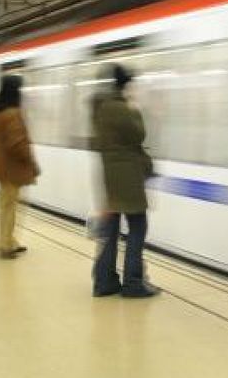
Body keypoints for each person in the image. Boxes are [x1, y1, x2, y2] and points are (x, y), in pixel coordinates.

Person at [91, 64, 157, 298]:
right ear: (126, 85)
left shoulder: (100, 107)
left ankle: (104, 281)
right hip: (128, 176)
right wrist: (135, 109)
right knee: (138, 227)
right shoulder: (121, 108)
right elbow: (139, 134)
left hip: (110, 175)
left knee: (110, 230)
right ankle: (133, 282)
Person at [0, 75, 39, 259]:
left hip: (3, 168)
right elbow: (17, 144)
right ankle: (5, 245)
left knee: (6, 206)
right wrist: (32, 163)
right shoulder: (12, 113)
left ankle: (9, 239)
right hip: (13, 169)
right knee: (10, 207)